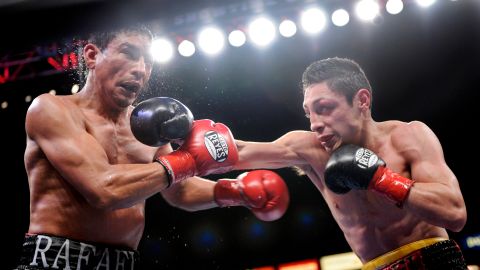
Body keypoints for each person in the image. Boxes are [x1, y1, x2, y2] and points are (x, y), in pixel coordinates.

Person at [16, 24, 289, 270]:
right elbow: (103, 189)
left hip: (123, 264)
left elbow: (179, 189)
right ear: (91, 55)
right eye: (130, 53)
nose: (141, 69)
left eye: (148, 61)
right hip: (54, 262)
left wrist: (234, 191)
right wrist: (188, 161)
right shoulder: (53, 109)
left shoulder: (146, 125)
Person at [233, 57, 468, 269]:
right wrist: (198, 141)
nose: (314, 124)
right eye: (309, 113)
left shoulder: (408, 136)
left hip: (434, 261)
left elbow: (455, 214)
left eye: (323, 108)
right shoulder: (310, 149)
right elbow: (239, 151)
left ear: (362, 100)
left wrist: (382, 179)